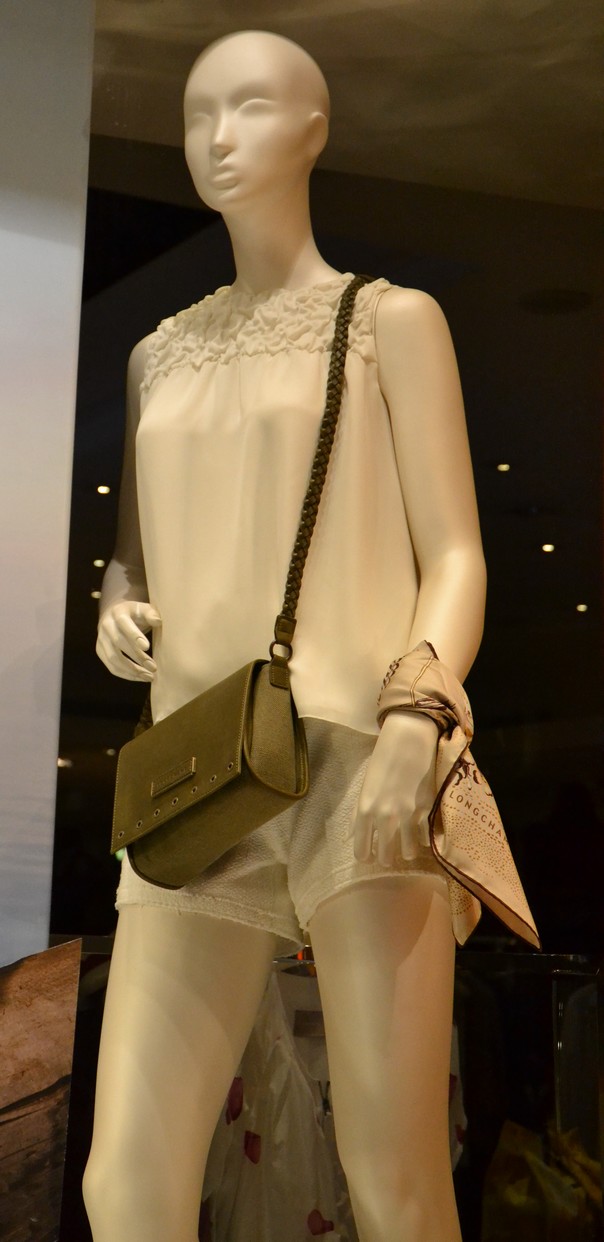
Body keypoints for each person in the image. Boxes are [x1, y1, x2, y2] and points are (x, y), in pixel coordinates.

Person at [83, 30, 486, 1242]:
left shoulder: (388, 322)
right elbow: (136, 556)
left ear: (313, 130)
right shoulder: (158, 355)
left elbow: (455, 554)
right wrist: (116, 606)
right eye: (197, 114)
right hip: (197, 778)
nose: (218, 137)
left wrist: (419, 714)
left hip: (362, 758)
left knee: (394, 1178)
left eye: (251, 107)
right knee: (123, 1181)